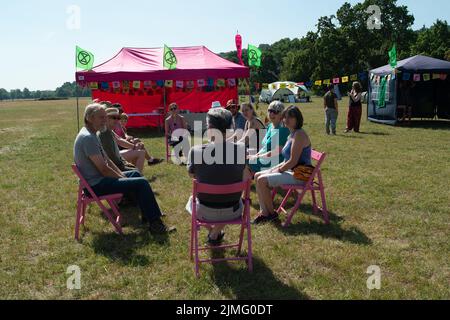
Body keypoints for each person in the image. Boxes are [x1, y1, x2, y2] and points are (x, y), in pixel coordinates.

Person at [73, 103, 175, 234]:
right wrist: (121, 177)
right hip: (96, 185)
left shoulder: (92, 133)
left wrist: (121, 174)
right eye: (101, 117)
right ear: (90, 118)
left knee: (136, 173)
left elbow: (107, 161)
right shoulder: (88, 138)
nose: (105, 120)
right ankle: (156, 225)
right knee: (142, 183)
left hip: (98, 180)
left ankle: (148, 215)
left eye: (105, 117)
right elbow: (104, 169)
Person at [186, 108, 246, 246]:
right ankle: (215, 233)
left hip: (204, 211)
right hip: (234, 211)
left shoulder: (196, 151)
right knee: (236, 196)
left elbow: (191, 174)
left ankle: (213, 232)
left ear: (210, 128)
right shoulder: (241, 149)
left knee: (191, 201)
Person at [253, 106, 312, 224]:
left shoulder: (299, 134)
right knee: (257, 175)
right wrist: (274, 169)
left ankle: (271, 214)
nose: (287, 119)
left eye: (291, 117)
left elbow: (293, 161)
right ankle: (265, 212)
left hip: (301, 173)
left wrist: (277, 170)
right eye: (285, 117)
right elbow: (286, 160)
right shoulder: (292, 134)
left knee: (262, 180)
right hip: (293, 171)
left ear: (298, 118)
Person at [243, 101, 290, 181]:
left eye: (275, 112)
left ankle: (245, 189)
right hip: (265, 158)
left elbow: (276, 152)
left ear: (281, 114)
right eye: (270, 111)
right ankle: (246, 188)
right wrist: (256, 154)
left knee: (244, 161)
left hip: (274, 162)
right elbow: (264, 147)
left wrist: (257, 156)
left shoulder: (283, 130)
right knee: (244, 158)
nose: (271, 114)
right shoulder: (270, 126)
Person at [98, 108, 136, 172]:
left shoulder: (109, 131)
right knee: (137, 173)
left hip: (118, 165)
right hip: (114, 170)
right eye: (114, 118)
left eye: (118, 118)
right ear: (106, 118)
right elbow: (111, 157)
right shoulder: (105, 134)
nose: (117, 120)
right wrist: (124, 165)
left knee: (136, 171)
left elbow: (116, 154)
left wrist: (125, 163)